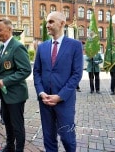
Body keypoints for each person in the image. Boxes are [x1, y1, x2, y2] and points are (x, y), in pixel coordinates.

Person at [33, 11, 83, 152]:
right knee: (48, 138)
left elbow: (77, 74)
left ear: (62, 23)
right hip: (45, 101)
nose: (47, 25)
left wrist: (60, 96)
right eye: (47, 22)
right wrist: (41, 92)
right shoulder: (42, 47)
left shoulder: (75, 45)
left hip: (64, 101)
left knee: (67, 138)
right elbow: (36, 71)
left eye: (51, 22)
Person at [0, 17, 32, 152]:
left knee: (17, 125)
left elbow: (26, 70)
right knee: (7, 122)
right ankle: (10, 146)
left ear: (10, 29)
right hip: (4, 94)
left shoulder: (17, 47)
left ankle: (19, 149)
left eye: (0, 30)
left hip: (15, 94)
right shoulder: (0, 47)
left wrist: (5, 81)